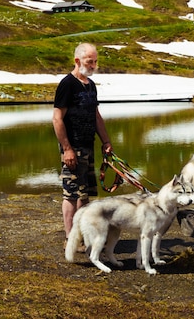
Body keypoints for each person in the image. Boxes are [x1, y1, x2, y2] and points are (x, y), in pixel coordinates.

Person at [52, 43, 112, 251]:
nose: (94, 65)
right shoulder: (67, 84)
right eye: (90, 61)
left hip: (88, 145)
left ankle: (84, 235)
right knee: (71, 193)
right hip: (73, 147)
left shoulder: (91, 85)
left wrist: (106, 141)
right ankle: (70, 238)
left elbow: (96, 116)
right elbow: (57, 119)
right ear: (77, 61)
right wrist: (67, 148)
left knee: (84, 194)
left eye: (95, 61)